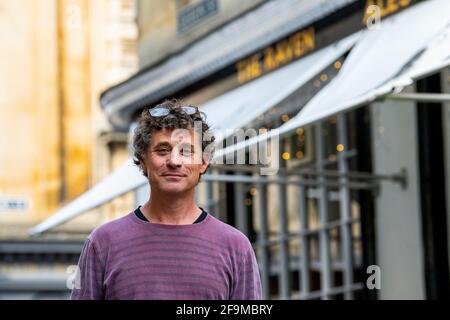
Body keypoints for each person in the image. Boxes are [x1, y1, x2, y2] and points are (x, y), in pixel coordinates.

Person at [71, 99, 262, 300]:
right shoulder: (102, 244)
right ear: (143, 160)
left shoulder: (235, 247)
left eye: (186, 151)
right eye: (163, 150)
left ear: (204, 162)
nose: (174, 161)